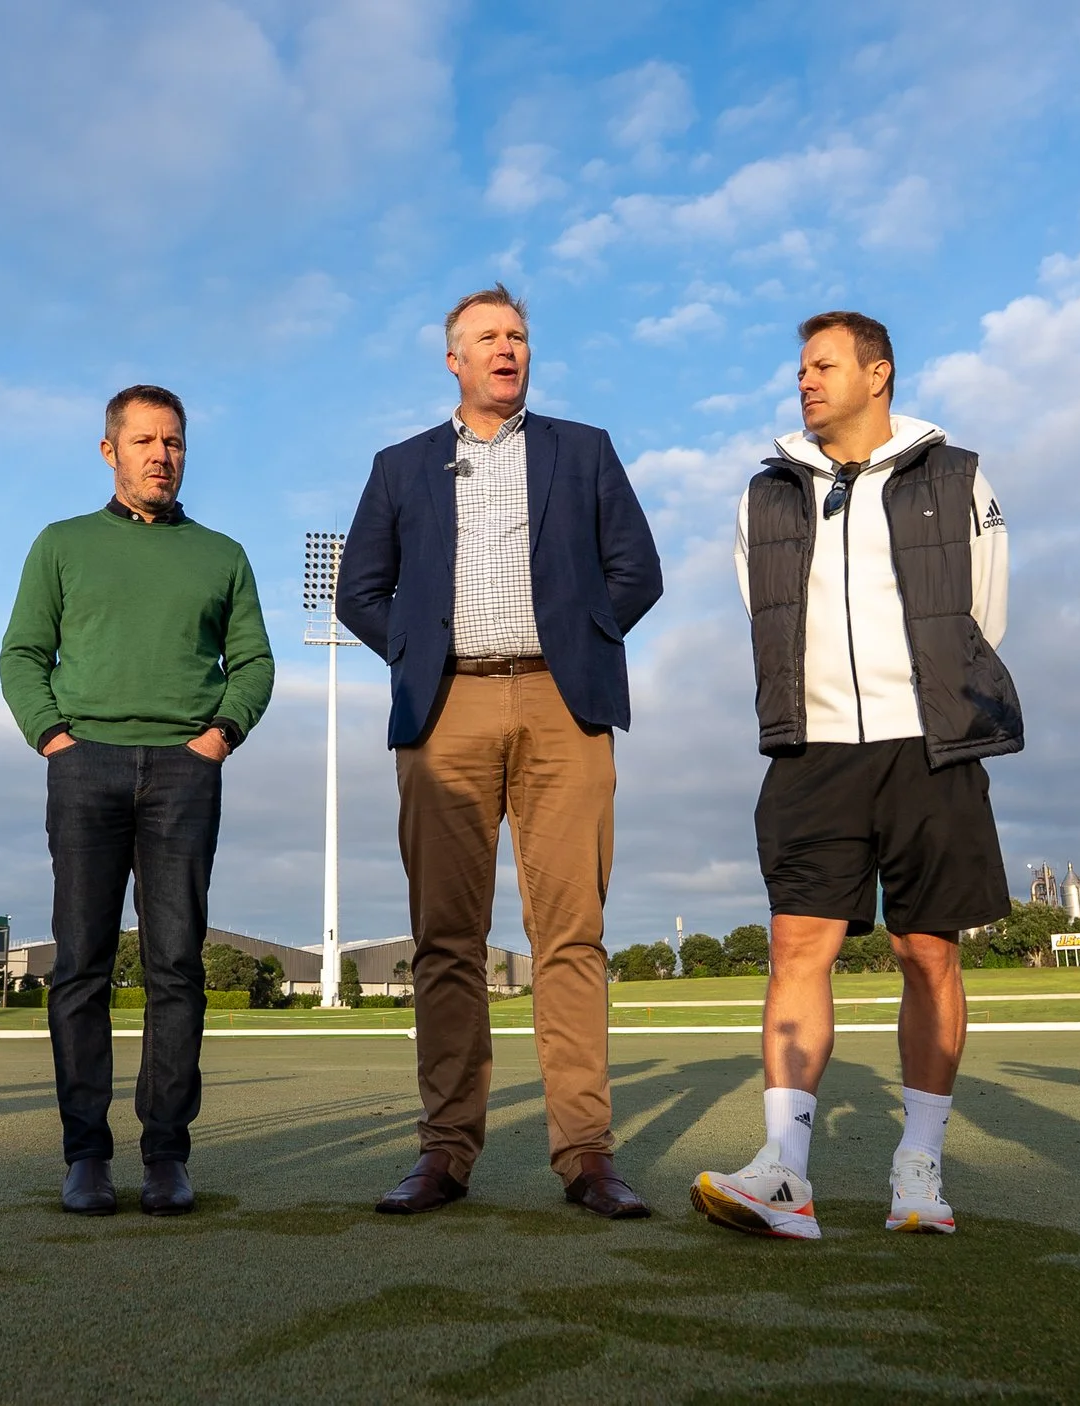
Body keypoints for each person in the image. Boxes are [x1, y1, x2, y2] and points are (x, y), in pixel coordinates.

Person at [692, 310, 1020, 1241]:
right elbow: (761, 608)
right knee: (797, 946)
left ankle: (919, 1168)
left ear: (878, 374)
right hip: (813, 751)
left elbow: (984, 611)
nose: (805, 380)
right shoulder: (766, 494)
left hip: (929, 746)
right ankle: (783, 1172)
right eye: (800, 368)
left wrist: (929, 703)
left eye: (823, 365)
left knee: (928, 952)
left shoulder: (956, 476)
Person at [337, 284, 663, 1219]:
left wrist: (580, 645)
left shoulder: (583, 450)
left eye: (517, 335)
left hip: (565, 706)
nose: (506, 348)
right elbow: (360, 591)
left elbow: (637, 571)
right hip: (446, 710)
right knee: (447, 939)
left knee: (571, 936)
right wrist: (419, 653)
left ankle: (586, 1154)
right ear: (454, 360)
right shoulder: (401, 466)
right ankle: (445, 1152)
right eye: (486, 337)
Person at [0, 384, 274, 1218]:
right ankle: (85, 1155)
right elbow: (22, 654)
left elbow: (254, 662)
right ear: (110, 450)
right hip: (85, 766)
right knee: (80, 964)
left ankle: (166, 1155)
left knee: (176, 966)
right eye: (146, 441)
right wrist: (54, 738)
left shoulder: (222, 554)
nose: (162, 455)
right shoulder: (62, 544)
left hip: (185, 772)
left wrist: (218, 737)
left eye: (174, 442)